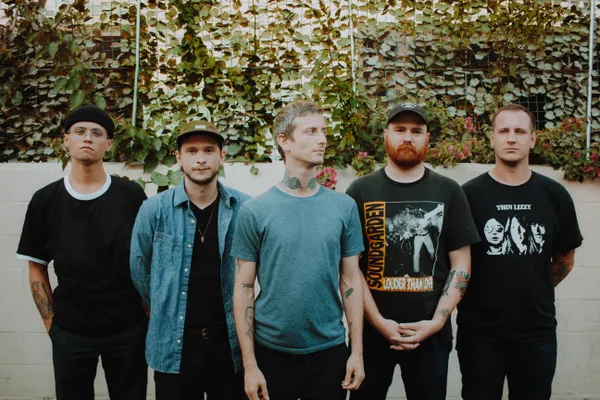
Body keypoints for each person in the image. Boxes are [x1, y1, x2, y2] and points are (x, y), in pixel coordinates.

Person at [345, 102, 480, 400]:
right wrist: (379, 323)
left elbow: (461, 264)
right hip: (370, 335)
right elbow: (351, 269)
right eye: (400, 129)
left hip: (430, 336)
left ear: (427, 138)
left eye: (416, 131)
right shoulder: (360, 191)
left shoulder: (449, 191)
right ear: (385, 135)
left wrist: (437, 322)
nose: (407, 137)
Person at [232, 100, 365, 400]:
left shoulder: (343, 207)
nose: (322, 139)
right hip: (271, 353)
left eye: (324, 131)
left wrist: (356, 352)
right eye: (311, 131)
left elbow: (351, 281)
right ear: (285, 141)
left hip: (329, 351)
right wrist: (250, 366)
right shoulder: (255, 211)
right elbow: (243, 288)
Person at [16, 104, 148, 400]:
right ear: (66, 140)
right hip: (71, 331)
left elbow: (147, 260)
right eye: (79, 131)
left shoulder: (131, 196)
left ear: (109, 144)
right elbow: (36, 267)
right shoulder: (45, 200)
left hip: (127, 329)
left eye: (97, 133)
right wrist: (53, 327)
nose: (88, 138)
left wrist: (145, 315)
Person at [457, 103, 583, 400]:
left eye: (519, 131)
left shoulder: (554, 195)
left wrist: (534, 287)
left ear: (532, 139)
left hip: (536, 334)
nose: (511, 138)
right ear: (492, 138)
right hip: (480, 335)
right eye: (503, 131)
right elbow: (455, 261)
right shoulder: (468, 195)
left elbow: (565, 259)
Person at [130, 121, 250, 399]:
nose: (200, 159)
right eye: (191, 151)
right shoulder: (154, 210)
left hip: (229, 345)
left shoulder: (245, 208)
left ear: (222, 156)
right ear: (179, 158)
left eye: (208, 150)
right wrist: (164, 307)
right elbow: (139, 268)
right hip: (175, 346)